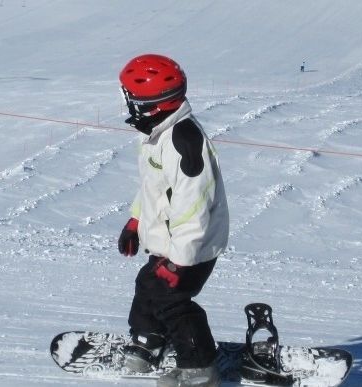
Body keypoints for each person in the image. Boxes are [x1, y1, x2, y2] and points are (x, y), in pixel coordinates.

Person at [116, 54, 230, 387]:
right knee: (147, 286)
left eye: (129, 96)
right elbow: (154, 188)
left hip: (192, 245)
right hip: (169, 240)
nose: (126, 102)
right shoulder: (157, 133)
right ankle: (149, 341)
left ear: (146, 102)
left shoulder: (183, 141)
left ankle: (200, 366)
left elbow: (194, 206)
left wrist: (180, 262)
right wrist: (136, 221)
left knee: (171, 299)